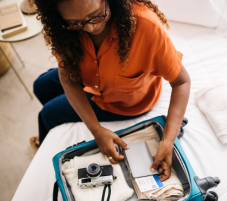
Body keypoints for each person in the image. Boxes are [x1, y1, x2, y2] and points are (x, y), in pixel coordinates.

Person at [31, 0, 190, 181]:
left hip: (124, 103)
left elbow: (182, 82)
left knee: (46, 115)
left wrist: (168, 140)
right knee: (40, 86)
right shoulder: (64, 30)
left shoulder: (146, 26)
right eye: (76, 23)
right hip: (88, 77)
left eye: (97, 15)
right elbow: (68, 79)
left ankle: (43, 145)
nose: (90, 28)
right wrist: (96, 130)